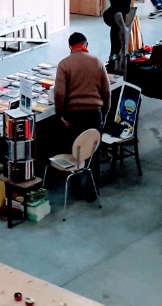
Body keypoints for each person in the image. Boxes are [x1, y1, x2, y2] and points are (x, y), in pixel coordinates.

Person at [53, 32, 110, 202]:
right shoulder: (97, 61)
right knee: (94, 153)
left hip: (73, 116)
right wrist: (104, 112)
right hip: (94, 114)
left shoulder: (64, 65)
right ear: (86, 43)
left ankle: (75, 189)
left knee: (75, 152)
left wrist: (60, 114)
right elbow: (106, 92)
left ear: (70, 47)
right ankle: (93, 191)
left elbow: (59, 93)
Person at [103, 0, 135, 74]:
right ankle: (114, 65)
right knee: (116, 45)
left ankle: (121, 64)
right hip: (116, 22)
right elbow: (124, 9)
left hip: (124, 22)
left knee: (123, 46)